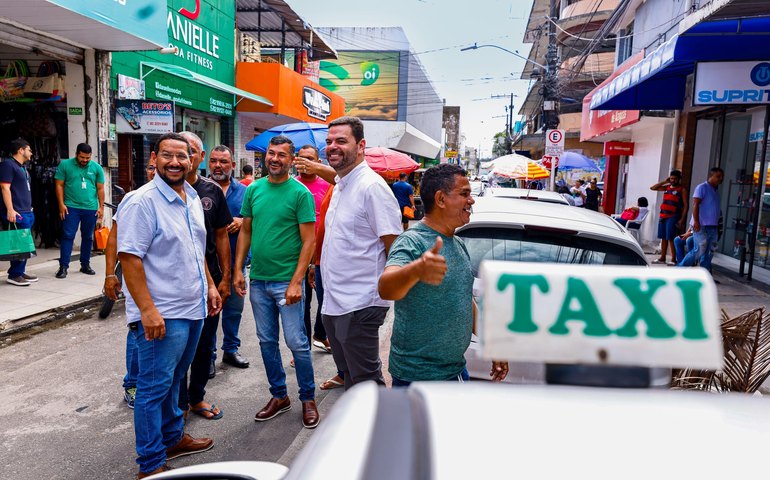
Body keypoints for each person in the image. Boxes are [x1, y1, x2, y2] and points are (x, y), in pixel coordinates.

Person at [118, 132, 222, 478]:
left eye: (184, 155)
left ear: (194, 159)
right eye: (167, 155)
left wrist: (209, 285)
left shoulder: (192, 196)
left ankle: (173, 438)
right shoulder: (141, 201)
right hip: (162, 314)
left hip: (192, 309)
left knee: (176, 380)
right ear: (154, 158)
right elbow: (129, 258)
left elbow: (195, 249)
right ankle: (149, 465)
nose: (176, 162)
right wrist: (147, 310)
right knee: (152, 388)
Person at [379, 164, 509, 385]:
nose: (472, 200)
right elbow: (385, 288)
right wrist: (417, 269)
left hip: (456, 370)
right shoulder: (412, 241)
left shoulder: (458, 242)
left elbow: (464, 299)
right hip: (418, 378)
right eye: (464, 194)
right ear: (440, 199)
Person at [233, 135, 320, 429]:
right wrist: (237, 270)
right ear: (265, 156)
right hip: (258, 282)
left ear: (291, 159)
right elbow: (246, 231)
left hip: (287, 283)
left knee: (297, 343)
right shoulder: (254, 190)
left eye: (282, 155)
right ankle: (279, 396)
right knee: (266, 341)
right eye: (272, 153)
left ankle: (308, 398)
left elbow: (309, 241)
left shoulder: (300, 194)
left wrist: (297, 282)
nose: (275, 159)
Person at [320, 116, 402, 390]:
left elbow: (395, 248)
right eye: (329, 141)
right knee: (350, 377)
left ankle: (377, 430)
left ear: (361, 145)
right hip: (335, 301)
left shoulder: (372, 187)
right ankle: (357, 425)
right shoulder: (342, 183)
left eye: (341, 141)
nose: (333, 146)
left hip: (360, 304)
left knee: (366, 383)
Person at [177, 131, 232, 420]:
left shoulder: (211, 191)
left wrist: (225, 277)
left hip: (208, 283)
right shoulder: (161, 191)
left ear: (199, 158)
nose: (183, 158)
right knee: (176, 349)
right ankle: (178, 402)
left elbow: (222, 235)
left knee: (203, 345)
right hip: (175, 285)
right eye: (178, 152)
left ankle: (195, 398)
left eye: (190, 152)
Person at [104, 159, 156, 409]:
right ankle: (132, 384)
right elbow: (113, 238)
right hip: (137, 279)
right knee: (137, 330)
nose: (154, 172)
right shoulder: (133, 199)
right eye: (151, 167)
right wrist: (109, 274)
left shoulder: (181, 198)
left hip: (165, 285)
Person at [208, 145, 250, 369]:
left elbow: (256, 221)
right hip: (207, 265)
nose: (218, 166)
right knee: (209, 312)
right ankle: (209, 355)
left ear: (233, 166)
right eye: (214, 161)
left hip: (236, 264)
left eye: (223, 162)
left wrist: (242, 221)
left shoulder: (244, 192)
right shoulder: (199, 189)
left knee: (234, 310)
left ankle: (231, 350)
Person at [293, 145, 332, 354]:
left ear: (319, 162)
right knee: (303, 303)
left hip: (323, 250)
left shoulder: (328, 185)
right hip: (298, 252)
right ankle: (304, 345)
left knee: (325, 299)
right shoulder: (290, 185)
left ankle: (320, 333)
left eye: (311, 159)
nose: (306, 162)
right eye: (302, 158)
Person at [54, 143, 104, 278]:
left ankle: (85, 264)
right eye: (82, 157)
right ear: (76, 154)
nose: (85, 160)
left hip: (90, 208)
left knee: (87, 237)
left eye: (88, 158)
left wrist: (101, 207)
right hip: (71, 207)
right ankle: (63, 266)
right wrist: (61, 205)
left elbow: (100, 188)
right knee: (67, 236)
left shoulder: (96, 168)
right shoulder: (65, 165)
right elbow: (59, 185)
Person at [0, 138, 37, 286]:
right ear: (21, 150)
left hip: (26, 210)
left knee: (25, 244)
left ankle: (19, 271)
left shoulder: (22, 167)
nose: (31, 152)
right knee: (19, 243)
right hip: (16, 211)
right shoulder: (8, 165)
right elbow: (5, 188)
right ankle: (14, 274)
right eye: (29, 149)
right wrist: (10, 209)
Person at [677, 167, 724, 271]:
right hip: (701, 226)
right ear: (711, 176)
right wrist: (696, 222)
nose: (720, 179)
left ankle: (705, 276)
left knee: (709, 253)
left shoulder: (716, 191)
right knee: (699, 250)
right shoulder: (702, 187)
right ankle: (679, 270)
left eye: (722, 177)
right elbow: (695, 204)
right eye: (718, 176)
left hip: (713, 227)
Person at [650, 169, 688, 265]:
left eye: (675, 179)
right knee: (663, 237)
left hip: (674, 216)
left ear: (679, 179)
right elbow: (652, 188)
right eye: (671, 178)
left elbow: (686, 205)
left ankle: (673, 259)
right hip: (663, 215)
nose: (673, 180)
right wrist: (664, 181)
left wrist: (682, 219)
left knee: (671, 238)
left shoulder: (682, 189)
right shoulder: (667, 187)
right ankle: (662, 258)